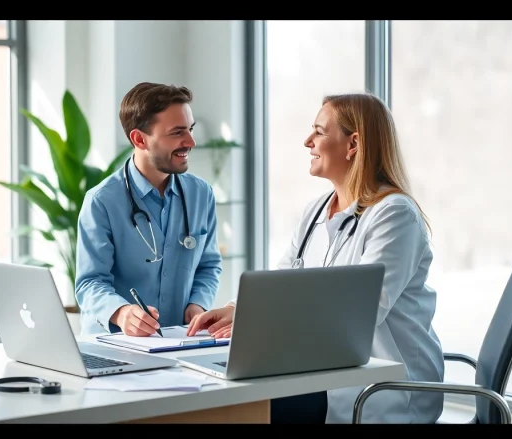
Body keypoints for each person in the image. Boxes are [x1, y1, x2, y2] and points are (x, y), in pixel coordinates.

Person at [186, 92, 445, 424]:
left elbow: (362, 313)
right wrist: (238, 310)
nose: (307, 141)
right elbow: (282, 281)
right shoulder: (317, 211)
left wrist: (264, 325)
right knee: (222, 403)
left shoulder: (394, 215)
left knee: (241, 412)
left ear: (353, 144)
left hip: (381, 393)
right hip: (325, 379)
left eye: (319, 132)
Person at [75, 82, 222, 337]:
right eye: (177, 133)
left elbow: (208, 266)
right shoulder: (102, 201)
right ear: (139, 139)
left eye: (190, 129)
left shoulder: (201, 194)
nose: (191, 142)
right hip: (116, 344)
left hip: (178, 341)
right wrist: (121, 313)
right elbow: (89, 282)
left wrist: (197, 303)